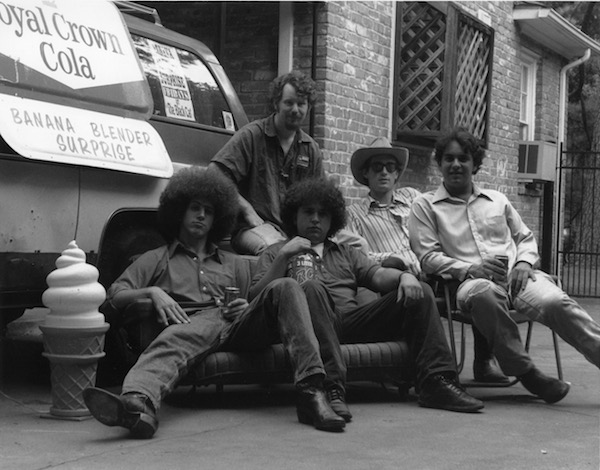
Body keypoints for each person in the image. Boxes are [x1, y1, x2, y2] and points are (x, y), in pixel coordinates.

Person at [83, 167, 346, 438]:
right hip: (188, 323)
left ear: (217, 218)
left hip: (237, 326)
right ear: (179, 212)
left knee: (287, 285)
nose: (201, 215)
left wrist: (245, 306)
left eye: (208, 211)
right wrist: (151, 292)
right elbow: (113, 295)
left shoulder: (233, 263)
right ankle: (139, 404)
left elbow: (258, 300)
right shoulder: (157, 258)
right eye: (195, 208)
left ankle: (312, 392)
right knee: (176, 336)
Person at [250, 177, 484, 415]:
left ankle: (436, 382)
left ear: (333, 219)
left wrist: (404, 277)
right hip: (306, 328)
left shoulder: (345, 252)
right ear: (294, 216)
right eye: (308, 212)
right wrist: (283, 258)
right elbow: (255, 298)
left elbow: (378, 275)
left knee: (422, 292)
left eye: (323, 214)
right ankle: (331, 388)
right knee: (310, 288)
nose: (315, 219)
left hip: (349, 322)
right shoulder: (277, 252)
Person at [408, 128, 600, 403]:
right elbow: (427, 257)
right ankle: (528, 373)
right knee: (483, 293)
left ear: (475, 164)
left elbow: (525, 237)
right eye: (448, 159)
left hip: (516, 278)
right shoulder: (425, 205)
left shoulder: (497, 200)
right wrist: (470, 269)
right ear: (439, 163)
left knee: (556, 302)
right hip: (468, 283)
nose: (455, 165)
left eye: (463, 158)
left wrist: (523, 262)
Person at [344, 137, 508, 383]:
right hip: (395, 280)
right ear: (366, 173)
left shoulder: (414, 198)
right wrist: (392, 259)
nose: (385, 172)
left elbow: (443, 219)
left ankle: (484, 360)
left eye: (390, 167)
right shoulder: (355, 213)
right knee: (427, 292)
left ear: (398, 173)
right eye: (377, 167)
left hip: (437, 270)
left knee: (477, 277)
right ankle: (440, 370)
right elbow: (356, 255)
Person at [209, 70, 324, 255]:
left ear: (308, 108)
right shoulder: (252, 136)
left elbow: (320, 197)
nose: (295, 109)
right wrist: (246, 210)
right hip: (254, 230)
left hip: (294, 233)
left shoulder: (311, 149)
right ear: (276, 103)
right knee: (279, 252)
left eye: (301, 104)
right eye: (289, 102)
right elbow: (214, 174)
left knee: (347, 249)